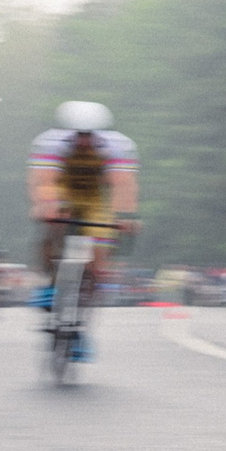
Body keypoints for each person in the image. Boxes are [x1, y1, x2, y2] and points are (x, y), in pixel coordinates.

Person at [26, 101, 138, 361]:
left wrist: (125, 216)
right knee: (52, 227)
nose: (85, 140)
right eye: (79, 135)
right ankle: (49, 285)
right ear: (67, 132)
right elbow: (44, 181)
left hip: (94, 200)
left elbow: (123, 185)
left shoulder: (117, 146)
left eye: (90, 135)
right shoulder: (50, 144)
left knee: (100, 251)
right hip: (62, 193)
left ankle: (79, 325)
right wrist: (46, 207)